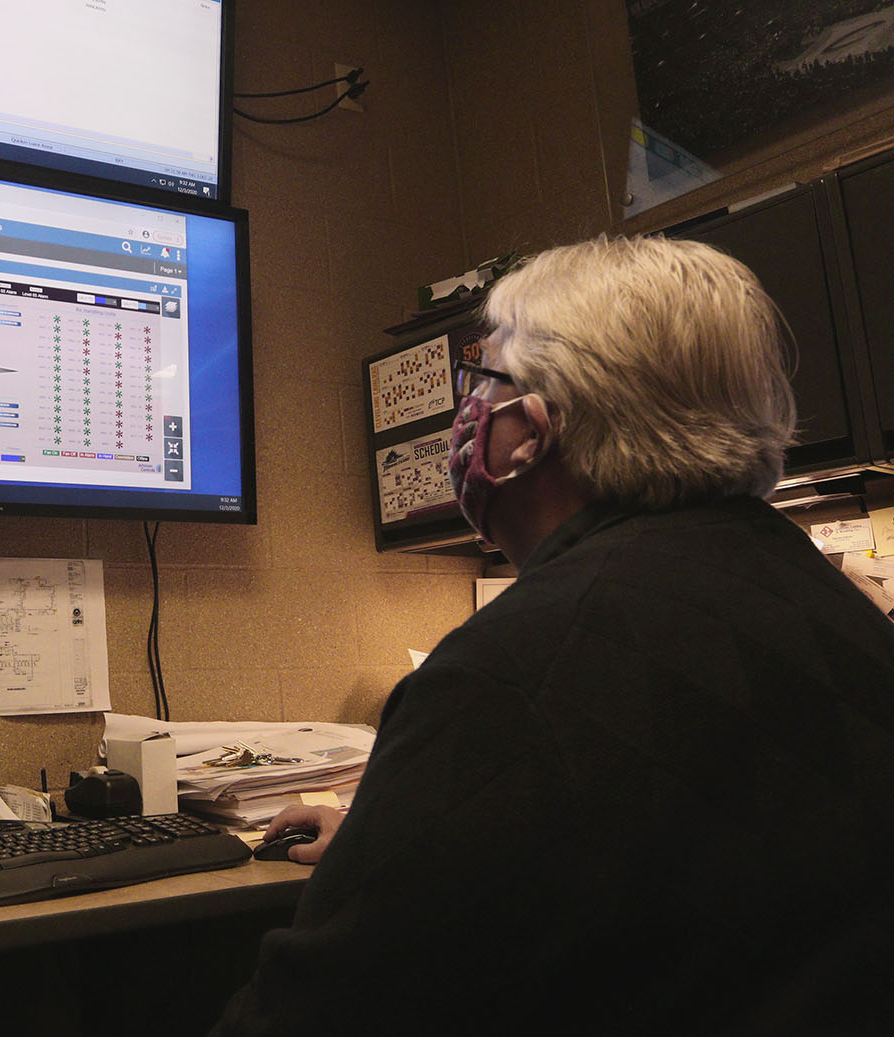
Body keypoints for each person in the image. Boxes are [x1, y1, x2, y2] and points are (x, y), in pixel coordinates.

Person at [211, 235, 894, 1035]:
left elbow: (310, 1016)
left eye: (485, 380)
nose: (469, 411)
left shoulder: (514, 668)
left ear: (529, 431)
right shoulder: (842, 611)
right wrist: (395, 845)